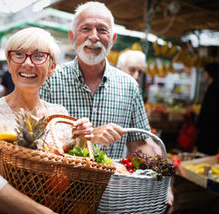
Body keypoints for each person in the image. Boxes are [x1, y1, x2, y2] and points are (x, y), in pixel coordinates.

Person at [39, 1, 173, 210]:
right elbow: (39, 143)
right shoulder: (50, 79)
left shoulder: (129, 85)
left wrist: (164, 184)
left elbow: (139, 143)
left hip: (115, 198)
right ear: (72, 37)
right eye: (86, 29)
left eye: (102, 30)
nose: (94, 36)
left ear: (112, 39)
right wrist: (87, 137)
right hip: (59, 194)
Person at [0, 27, 93, 214]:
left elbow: (67, 174)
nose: (28, 63)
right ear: (9, 63)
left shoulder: (59, 114)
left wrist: (79, 140)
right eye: (18, 54)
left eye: (38, 56)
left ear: (52, 67)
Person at [195, 62, 219, 155]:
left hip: (209, 129)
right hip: (213, 129)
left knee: (206, 153)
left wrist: (198, 126)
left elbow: (207, 110)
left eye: (205, 72)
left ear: (209, 73)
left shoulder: (213, 87)